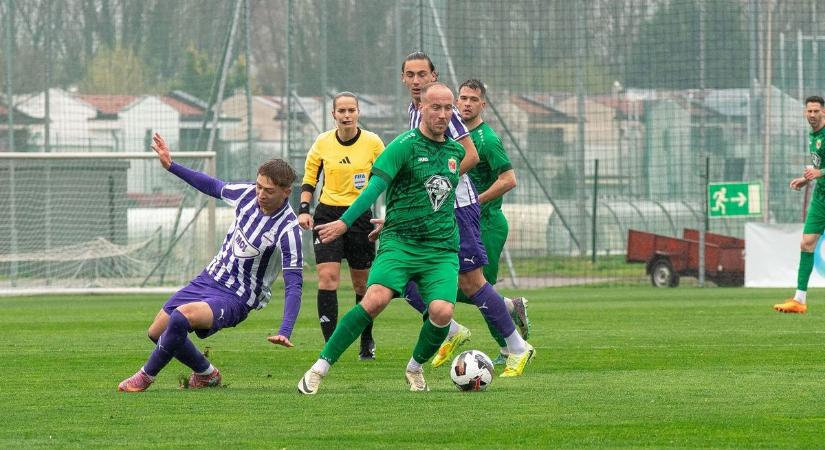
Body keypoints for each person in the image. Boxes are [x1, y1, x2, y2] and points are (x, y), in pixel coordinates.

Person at [297, 82, 465, 394]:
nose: (442, 114)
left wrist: (392, 214)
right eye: (435, 108)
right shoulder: (403, 146)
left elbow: (432, 197)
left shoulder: (456, 152)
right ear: (422, 110)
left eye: (447, 108)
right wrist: (345, 223)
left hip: (441, 249)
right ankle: (319, 368)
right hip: (400, 243)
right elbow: (373, 189)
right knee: (374, 299)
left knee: (442, 312)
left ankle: (415, 367)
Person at [118, 133, 303, 392]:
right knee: (157, 331)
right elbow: (212, 185)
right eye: (259, 186)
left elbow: (294, 284)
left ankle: (145, 376)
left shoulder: (289, 230)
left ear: (287, 191)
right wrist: (172, 166)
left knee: (181, 318)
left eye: (268, 191)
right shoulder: (247, 195)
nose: (260, 194)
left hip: (237, 297)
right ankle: (207, 374)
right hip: (210, 278)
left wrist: (286, 329)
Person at [398, 52, 534, 376]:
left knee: (472, 283)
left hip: (458, 208)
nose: (416, 81)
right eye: (410, 75)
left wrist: (440, 186)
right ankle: (452, 329)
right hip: (433, 209)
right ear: (403, 78)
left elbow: (470, 155)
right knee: (404, 276)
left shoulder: (446, 113)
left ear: (434, 76)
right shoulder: (412, 111)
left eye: (422, 74)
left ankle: (516, 347)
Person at [299, 92, 385, 360]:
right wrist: (304, 210)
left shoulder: (373, 143)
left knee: (362, 286)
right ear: (333, 114)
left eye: (351, 110)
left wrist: (388, 214)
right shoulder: (323, 142)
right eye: (341, 111)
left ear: (358, 112)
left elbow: (389, 177)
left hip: (360, 218)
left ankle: (366, 339)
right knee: (328, 279)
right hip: (327, 215)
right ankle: (330, 346)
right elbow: (310, 179)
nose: (347, 115)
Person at [456, 78, 529, 365]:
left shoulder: (487, 139)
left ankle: (509, 349)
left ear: (482, 104)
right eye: (463, 98)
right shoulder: (456, 135)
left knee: (478, 289)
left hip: (487, 224)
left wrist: (476, 201)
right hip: (465, 224)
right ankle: (510, 307)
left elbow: (509, 179)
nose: (466, 103)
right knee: (466, 288)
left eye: (473, 99)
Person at [774, 95, 825, 314]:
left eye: (816, 111)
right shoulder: (813, 135)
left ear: (824, 112)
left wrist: (819, 172)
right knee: (806, 244)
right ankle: (799, 300)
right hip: (821, 196)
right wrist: (807, 179)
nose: (812, 115)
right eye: (809, 111)